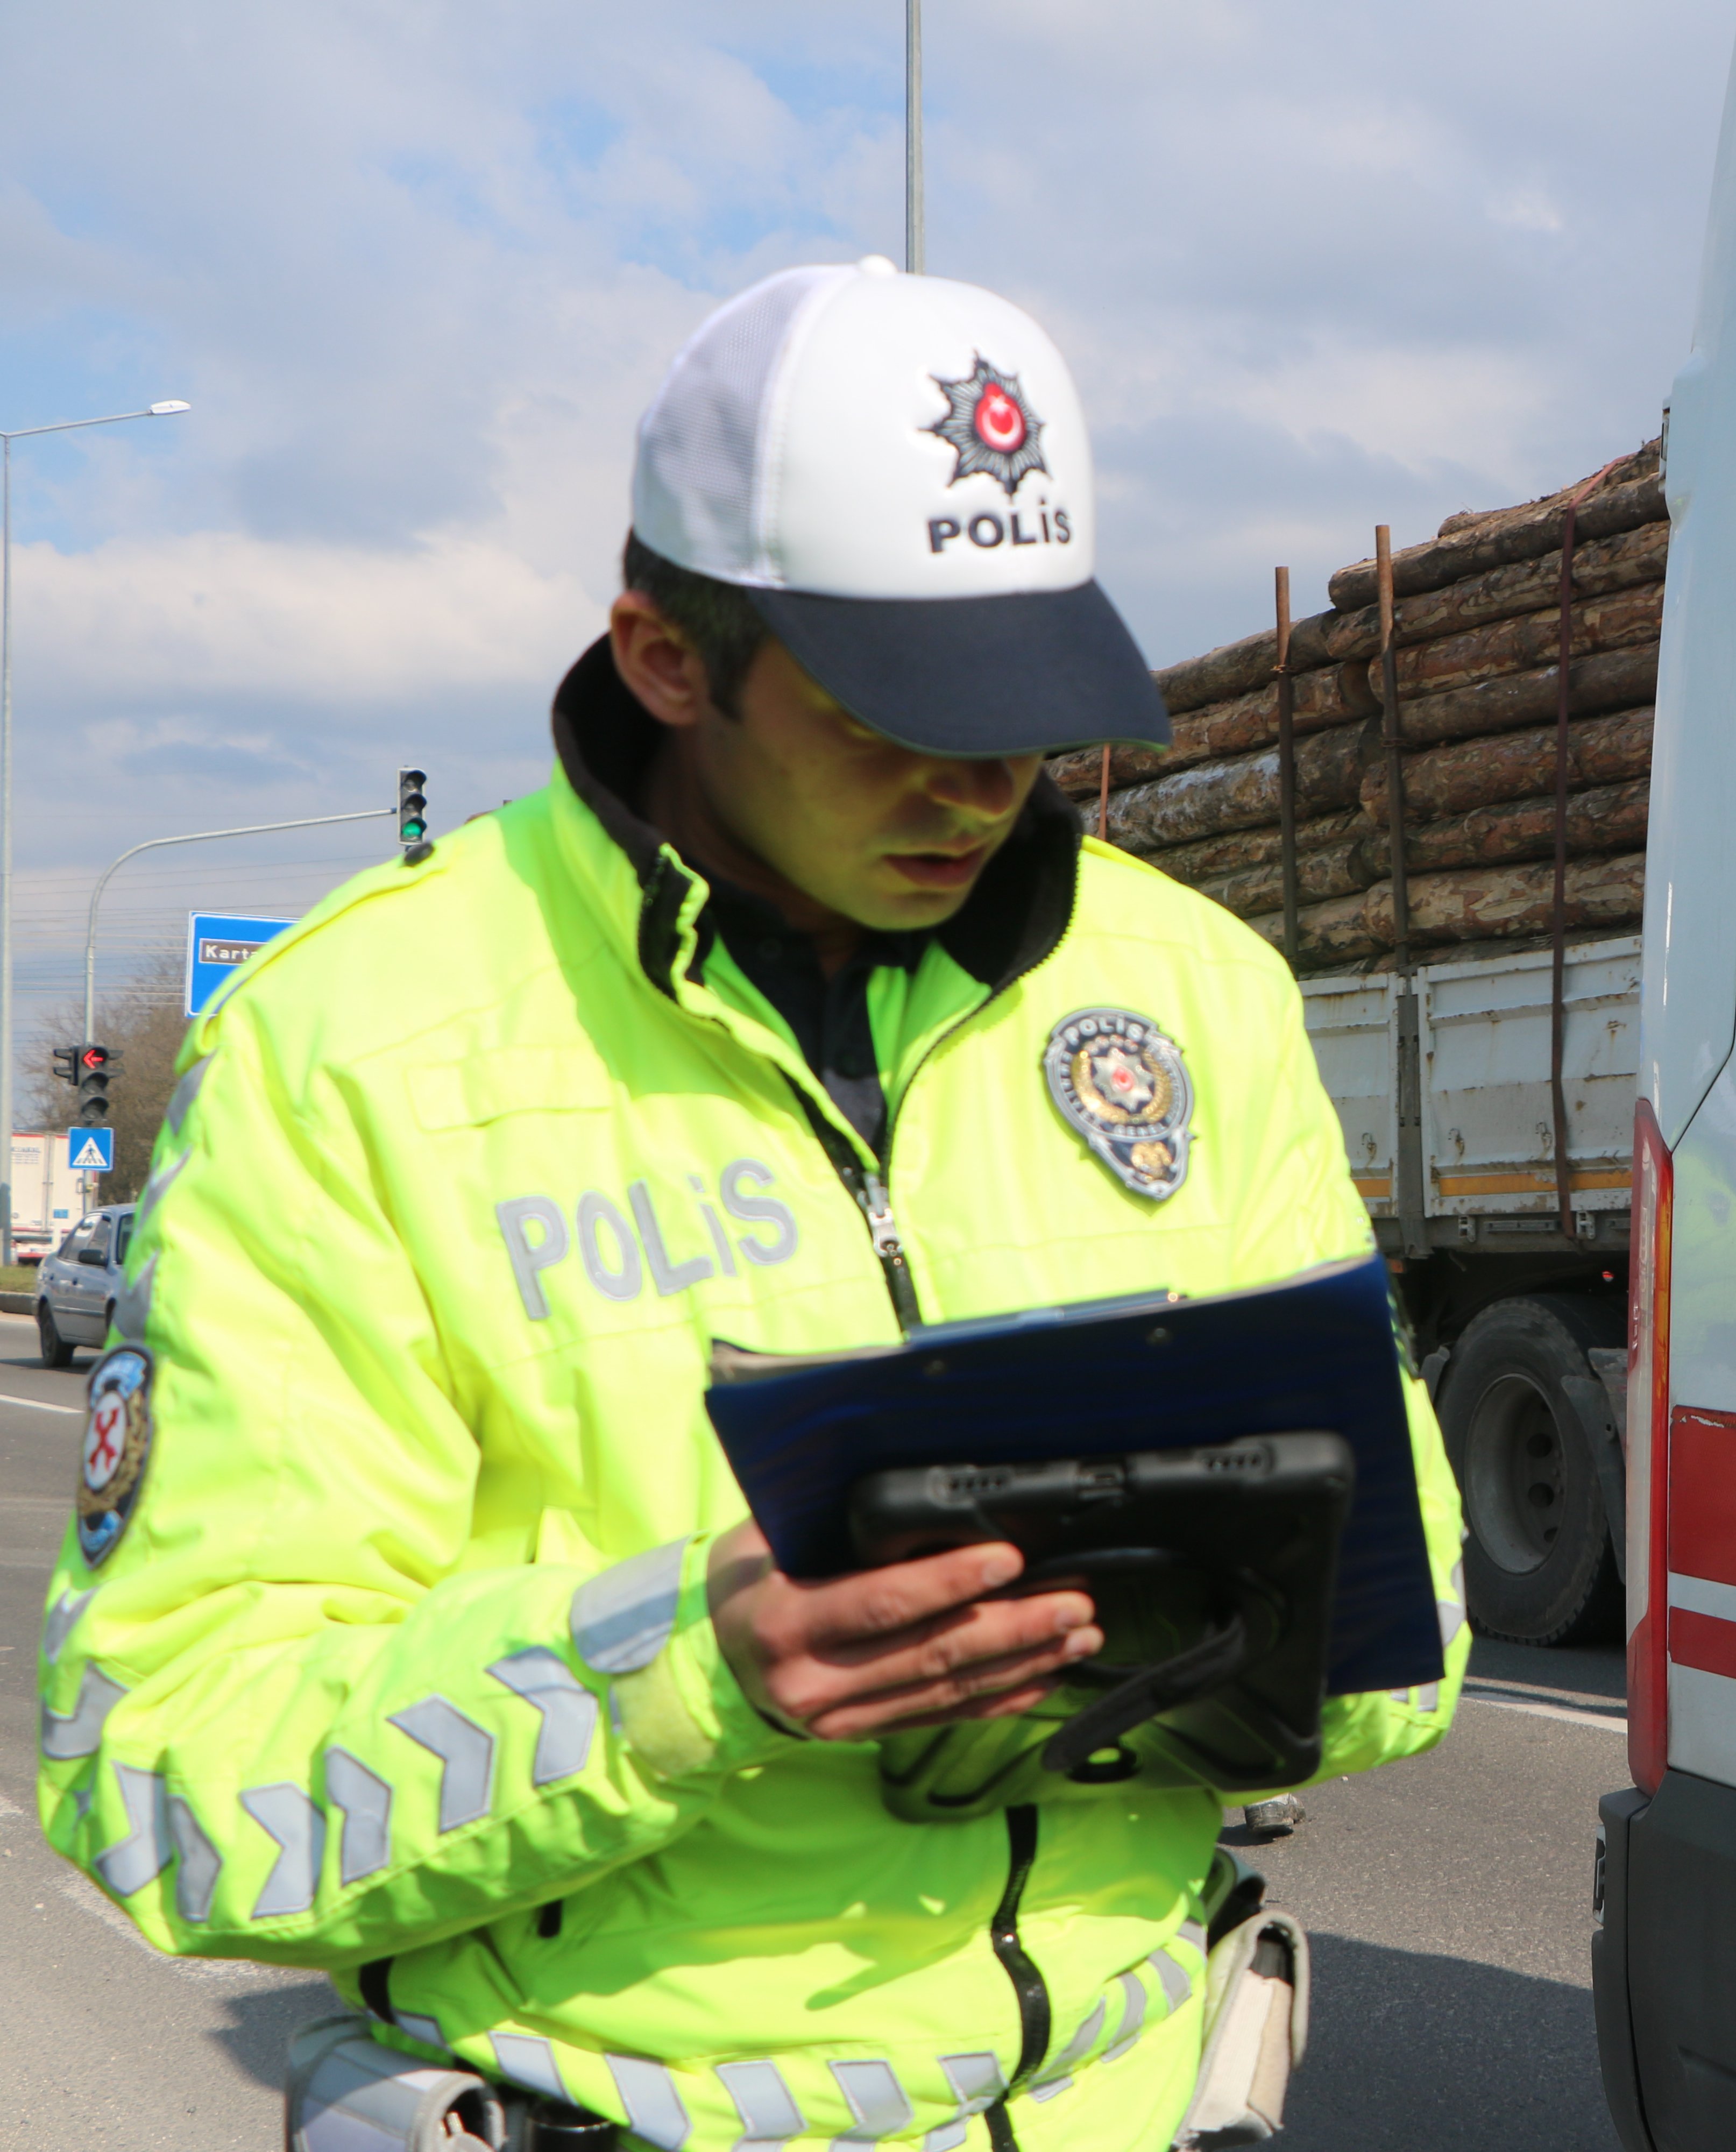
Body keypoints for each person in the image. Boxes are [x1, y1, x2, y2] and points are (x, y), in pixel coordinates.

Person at [36, 258, 1465, 2151]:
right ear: (665, 658)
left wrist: (1222, 1627)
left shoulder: (1194, 995)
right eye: (896, 714)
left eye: (1032, 708)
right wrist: (682, 1675)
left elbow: (1417, 1633)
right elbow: (164, 1780)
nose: (984, 784)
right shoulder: (351, 1050)